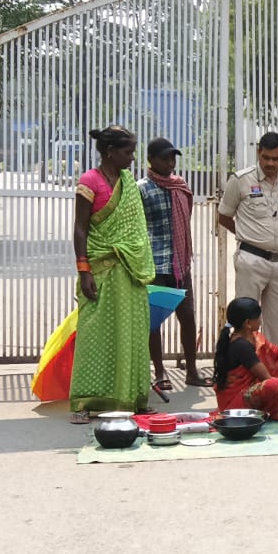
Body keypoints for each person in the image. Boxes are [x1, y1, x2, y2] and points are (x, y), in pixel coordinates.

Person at [69, 125, 156, 420]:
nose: (132, 158)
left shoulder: (128, 182)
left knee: (132, 333)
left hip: (130, 271)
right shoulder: (89, 181)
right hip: (100, 270)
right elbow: (80, 228)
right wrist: (84, 270)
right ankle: (85, 402)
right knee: (94, 335)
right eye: (128, 152)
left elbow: (136, 230)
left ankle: (133, 398)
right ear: (110, 151)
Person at [218, 131, 278, 347]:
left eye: (276, 159)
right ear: (258, 153)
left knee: (276, 324)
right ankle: (245, 364)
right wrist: (246, 234)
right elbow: (223, 216)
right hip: (252, 261)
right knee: (246, 322)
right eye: (266, 157)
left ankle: (270, 364)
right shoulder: (241, 180)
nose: (270, 163)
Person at [138, 137, 202, 392]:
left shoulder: (181, 187)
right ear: (151, 160)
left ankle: (192, 370)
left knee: (187, 317)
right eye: (164, 158)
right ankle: (160, 372)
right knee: (154, 322)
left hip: (179, 264)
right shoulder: (141, 189)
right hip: (155, 266)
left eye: (172, 158)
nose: (170, 163)